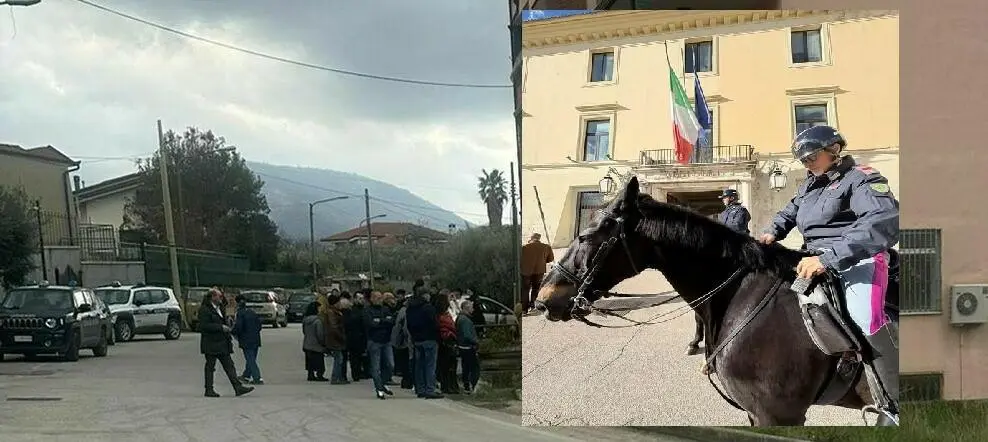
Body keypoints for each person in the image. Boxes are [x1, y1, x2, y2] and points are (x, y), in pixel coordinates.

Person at [758, 125, 900, 426]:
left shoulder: (861, 178)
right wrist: (772, 231)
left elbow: (884, 220)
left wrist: (830, 257)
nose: (807, 163)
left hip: (858, 257)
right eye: (803, 159)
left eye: (811, 156)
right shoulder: (809, 185)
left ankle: (892, 405)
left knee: (865, 317)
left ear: (834, 149)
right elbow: (790, 212)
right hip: (812, 258)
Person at [198, 288, 254, 398]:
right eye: (219, 296)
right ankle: (209, 389)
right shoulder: (205, 310)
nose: (221, 298)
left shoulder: (220, 308)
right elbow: (203, 326)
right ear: (212, 297)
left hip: (222, 343)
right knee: (210, 367)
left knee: (229, 366)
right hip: (211, 343)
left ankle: (238, 387)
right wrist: (220, 327)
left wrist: (229, 322)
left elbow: (225, 319)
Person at [405, 283, 443, 399]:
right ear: (425, 295)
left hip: (417, 339)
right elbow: (435, 323)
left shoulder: (410, 308)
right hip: (429, 338)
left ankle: (420, 388)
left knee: (419, 365)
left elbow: (409, 325)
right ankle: (430, 389)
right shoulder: (428, 307)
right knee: (430, 365)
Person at [364, 291, 396, 399]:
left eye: (380, 297)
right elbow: (371, 324)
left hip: (386, 341)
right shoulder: (367, 310)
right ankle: (379, 388)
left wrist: (380, 321)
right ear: (371, 299)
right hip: (374, 341)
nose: (379, 299)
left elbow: (392, 321)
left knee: (391, 365)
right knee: (375, 367)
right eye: (376, 297)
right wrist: (384, 322)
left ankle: (382, 382)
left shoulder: (385, 309)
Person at [232, 294, 264, 385]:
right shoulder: (252, 312)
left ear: (237, 303)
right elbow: (259, 326)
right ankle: (246, 376)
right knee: (252, 358)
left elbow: (239, 326)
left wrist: (232, 332)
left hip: (246, 339)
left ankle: (257, 378)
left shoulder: (240, 313)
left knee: (250, 359)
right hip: (256, 338)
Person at [521, 233, 554, 313]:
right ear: (539, 238)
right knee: (536, 289)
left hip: (526, 272)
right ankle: (533, 306)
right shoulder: (546, 247)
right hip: (539, 272)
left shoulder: (524, 247)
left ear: (531, 238)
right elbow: (550, 259)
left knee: (525, 289)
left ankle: (524, 310)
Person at [434, 291, 460, 394]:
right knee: (448, 365)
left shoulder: (439, 315)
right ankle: (449, 386)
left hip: (444, 342)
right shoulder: (443, 316)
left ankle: (448, 385)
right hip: (447, 341)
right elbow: (450, 325)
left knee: (445, 366)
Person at [321, 293, 348, 384]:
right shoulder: (331, 312)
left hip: (336, 338)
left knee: (339, 358)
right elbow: (333, 327)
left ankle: (337, 377)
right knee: (339, 359)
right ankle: (335, 378)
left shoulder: (336, 311)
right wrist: (341, 337)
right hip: (335, 339)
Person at [456, 299, 480, 394]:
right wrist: (475, 341)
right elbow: (467, 335)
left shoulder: (460, 318)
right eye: (471, 308)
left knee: (465, 367)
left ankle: (466, 385)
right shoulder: (465, 320)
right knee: (473, 367)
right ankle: (471, 385)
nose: (473, 310)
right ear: (467, 308)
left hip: (462, 346)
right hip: (467, 347)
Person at [343, 291, 368, 381]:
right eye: (359, 298)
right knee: (355, 357)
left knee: (363, 357)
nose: (362, 300)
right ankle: (356, 374)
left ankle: (364, 372)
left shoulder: (365, 310)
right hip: (354, 338)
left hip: (363, 337)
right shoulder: (352, 311)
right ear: (354, 299)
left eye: (362, 298)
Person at [391, 290, 413, 389]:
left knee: (404, 362)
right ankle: (407, 381)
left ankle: (406, 380)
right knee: (407, 361)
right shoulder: (406, 311)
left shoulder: (401, 310)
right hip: (404, 341)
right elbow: (405, 328)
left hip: (399, 340)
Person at [301, 301, 328, 382]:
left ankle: (310, 374)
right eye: (319, 308)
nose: (320, 310)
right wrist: (323, 343)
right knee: (319, 362)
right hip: (316, 345)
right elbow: (320, 334)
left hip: (307, 344)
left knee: (309, 362)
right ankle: (320, 375)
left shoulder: (305, 320)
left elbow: (304, 331)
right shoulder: (318, 321)